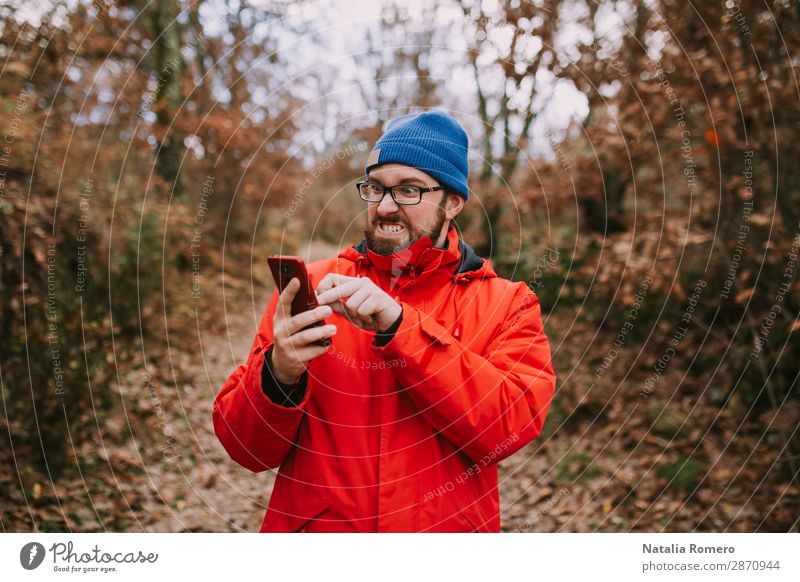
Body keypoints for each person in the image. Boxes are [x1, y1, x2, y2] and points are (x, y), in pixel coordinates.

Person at [213, 110, 556, 532]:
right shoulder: (315, 287)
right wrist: (278, 374)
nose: (386, 206)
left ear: (453, 202)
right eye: (375, 189)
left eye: (408, 190)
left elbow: (508, 426)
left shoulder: (508, 303)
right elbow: (246, 449)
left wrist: (401, 327)